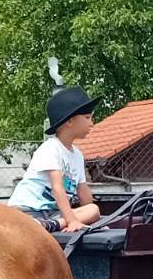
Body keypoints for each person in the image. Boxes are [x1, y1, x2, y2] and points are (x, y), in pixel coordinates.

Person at [8, 85, 102, 233]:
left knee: (93, 210)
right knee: (81, 214)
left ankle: (52, 225)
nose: (92, 123)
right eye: (87, 117)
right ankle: (50, 223)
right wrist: (71, 221)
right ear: (69, 122)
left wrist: (93, 221)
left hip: (52, 215)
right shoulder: (51, 148)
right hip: (27, 211)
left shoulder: (77, 155)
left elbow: (83, 190)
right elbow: (57, 188)